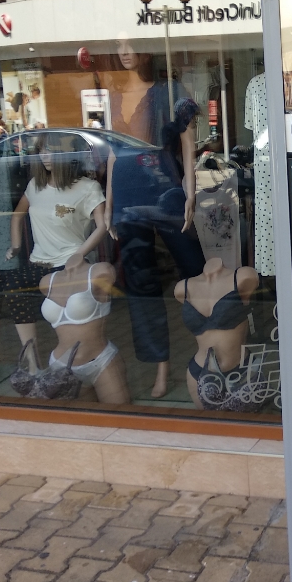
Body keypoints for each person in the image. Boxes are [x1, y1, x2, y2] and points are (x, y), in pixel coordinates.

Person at [0, 132, 106, 394]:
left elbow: (102, 225)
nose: (45, 157)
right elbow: (17, 216)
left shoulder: (87, 187)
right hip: (38, 263)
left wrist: (79, 254)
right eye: (41, 151)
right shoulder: (35, 186)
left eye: (51, 151)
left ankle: (33, 366)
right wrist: (16, 246)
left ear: (67, 154)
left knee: (16, 288)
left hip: (67, 266)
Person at [105, 39, 203, 398]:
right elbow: (115, 152)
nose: (124, 51)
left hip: (166, 193)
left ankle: (210, 351)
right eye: (119, 45)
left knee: (195, 272)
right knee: (141, 285)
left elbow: (188, 143)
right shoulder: (115, 95)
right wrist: (110, 202)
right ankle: (160, 370)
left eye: (131, 44)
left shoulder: (169, 91)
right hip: (128, 197)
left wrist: (189, 192)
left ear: (147, 50)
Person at [37, 260, 129, 403]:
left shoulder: (100, 271)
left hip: (100, 362)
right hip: (59, 365)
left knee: (121, 419)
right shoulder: (47, 281)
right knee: (78, 422)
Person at [175, 257, 260, 411]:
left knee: (247, 429)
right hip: (198, 372)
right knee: (210, 429)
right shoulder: (182, 288)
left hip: (241, 370)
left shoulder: (243, 276)